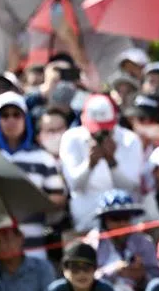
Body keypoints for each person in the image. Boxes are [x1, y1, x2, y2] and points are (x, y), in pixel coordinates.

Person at [0, 92, 60, 258]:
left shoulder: (43, 158)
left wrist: (31, 200)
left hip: (34, 249)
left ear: (25, 119)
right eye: (5, 116)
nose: (11, 120)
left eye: (16, 115)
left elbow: (59, 197)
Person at [60, 94, 143, 233]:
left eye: (105, 130)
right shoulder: (71, 138)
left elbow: (131, 186)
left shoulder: (130, 140)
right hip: (85, 224)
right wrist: (90, 164)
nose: (100, 134)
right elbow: (74, 185)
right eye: (95, 130)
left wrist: (112, 162)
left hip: (123, 225)